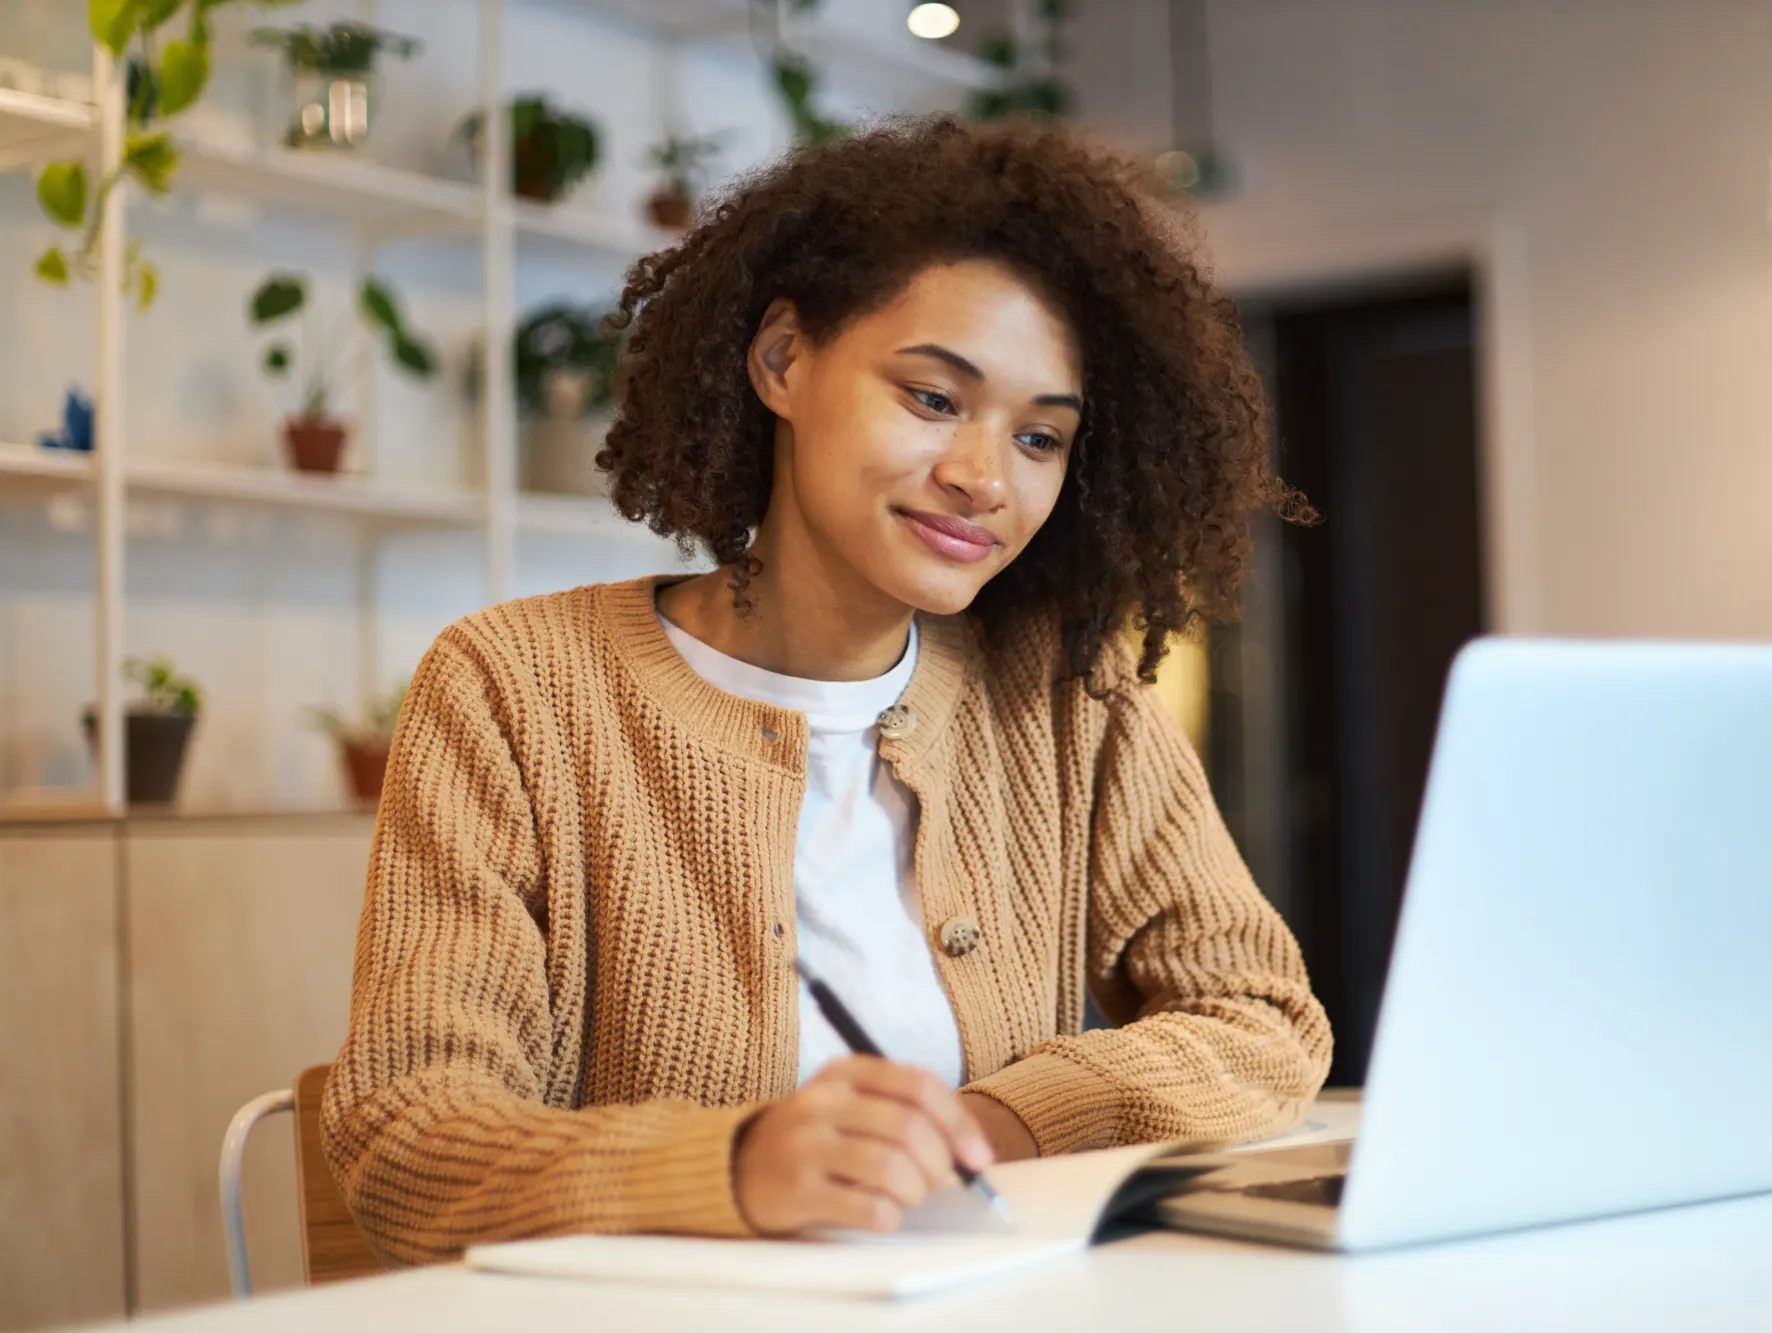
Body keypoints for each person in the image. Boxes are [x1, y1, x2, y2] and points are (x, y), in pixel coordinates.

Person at [322, 114, 1332, 1263]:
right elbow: (404, 1139)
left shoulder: (1064, 692)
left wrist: (1002, 1120)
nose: (981, 478)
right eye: (933, 399)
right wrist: (733, 1167)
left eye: (1041, 438)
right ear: (782, 362)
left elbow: (1258, 1017)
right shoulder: (517, 687)